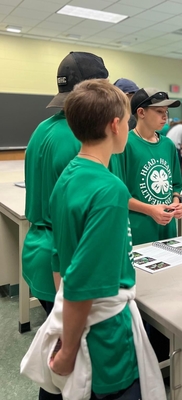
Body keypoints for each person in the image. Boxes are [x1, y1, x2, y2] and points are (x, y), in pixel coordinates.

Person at [21, 79, 165, 400]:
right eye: (128, 121)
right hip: (106, 336)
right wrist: (70, 349)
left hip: (72, 318)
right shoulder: (110, 189)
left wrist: (64, 327)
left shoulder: (67, 176)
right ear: (115, 125)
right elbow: (83, 284)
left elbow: (61, 264)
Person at [22, 51, 108, 400]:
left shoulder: (43, 129)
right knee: (70, 360)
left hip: (37, 249)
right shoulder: (82, 138)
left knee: (58, 346)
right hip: (64, 255)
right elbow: (88, 208)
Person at [109, 88, 182, 364]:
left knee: (168, 294)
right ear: (140, 112)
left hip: (166, 232)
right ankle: (143, 356)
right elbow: (120, 194)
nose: (166, 116)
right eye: (159, 111)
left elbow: (176, 185)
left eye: (167, 111)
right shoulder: (124, 145)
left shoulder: (167, 145)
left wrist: (177, 202)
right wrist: (150, 210)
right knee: (143, 300)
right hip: (140, 234)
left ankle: (164, 354)